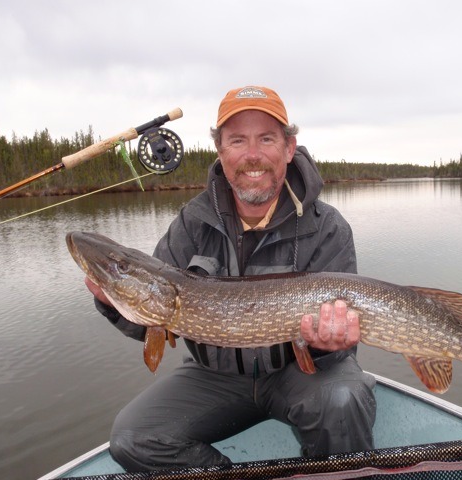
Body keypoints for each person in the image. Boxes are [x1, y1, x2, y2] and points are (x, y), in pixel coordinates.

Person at [85, 85, 377, 472]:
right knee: (132, 437)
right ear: (221, 153)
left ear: (289, 149)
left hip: (301, 375)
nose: (252, 155)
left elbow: (340, 351)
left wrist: (327, 346)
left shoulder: (327, 228)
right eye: (237, 140)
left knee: (344, 400)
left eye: (266, 138)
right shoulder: (192, 224)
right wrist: (113, 300)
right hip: (215, 378)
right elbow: (150, 321)